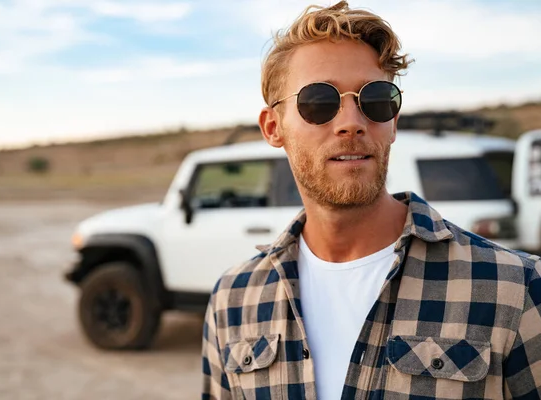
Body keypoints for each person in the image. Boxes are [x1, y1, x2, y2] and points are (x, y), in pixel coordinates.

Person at [202, 2, 541, 399]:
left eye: (375, 99)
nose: (351, 121)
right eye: (319, 102)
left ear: (393, 121)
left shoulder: (514, 290)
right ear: (273, 127)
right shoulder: (233, 299)